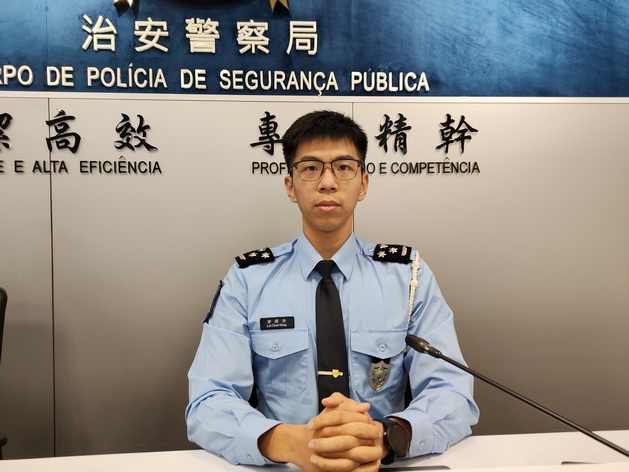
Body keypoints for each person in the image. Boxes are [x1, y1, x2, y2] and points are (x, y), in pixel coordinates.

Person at [186, 110, 479, 471]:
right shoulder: (248, 280)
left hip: (378, 463)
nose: (327, 182)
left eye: (343, 167)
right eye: (311, 168)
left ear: (363, 183)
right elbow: (208, 399)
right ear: (290, 186)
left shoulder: (408, 278)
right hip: (288, 466)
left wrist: (386, 437)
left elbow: (452, 392)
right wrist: (287, 442)